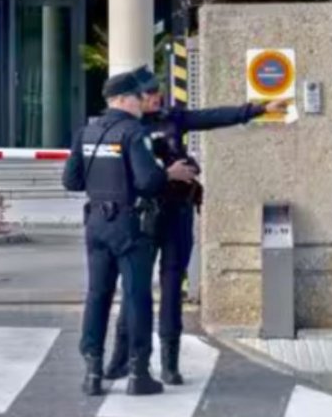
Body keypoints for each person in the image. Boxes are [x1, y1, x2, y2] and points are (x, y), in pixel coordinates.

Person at [102, 65, 291, 386]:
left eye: (157, 91)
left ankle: (170, 364)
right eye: (149, 94)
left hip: (177, 211)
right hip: (143, 217)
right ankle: (121, 359)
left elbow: (213, 116)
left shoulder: (173, 118)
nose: (156, 97)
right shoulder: (126, 128)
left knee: (173, 287)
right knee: (136, 291)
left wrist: (258, 109)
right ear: (134, 98)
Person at [63, 71, 198, 397]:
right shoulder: (133, 133)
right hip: (130, 225)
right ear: (123, 99)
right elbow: (148, 182)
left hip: (96, 224)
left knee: (97, 295)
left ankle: (93, 372)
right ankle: (139, 373)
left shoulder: (88, 131)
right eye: (139, 97)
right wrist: (171, 173)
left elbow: (72, 181)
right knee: (137, 297)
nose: (143, 102)